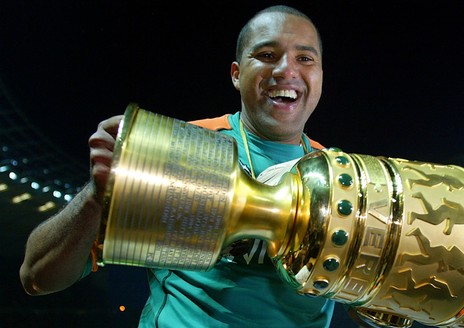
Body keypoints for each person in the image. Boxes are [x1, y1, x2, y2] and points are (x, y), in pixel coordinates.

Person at [19, 5, 339, 328]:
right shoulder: (181, 153)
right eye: (267, 55)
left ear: (321, 75)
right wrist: (95, 195)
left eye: (305, 58)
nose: (286, 69)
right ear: (237, 74)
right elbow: (37, 275)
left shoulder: (340, 180)